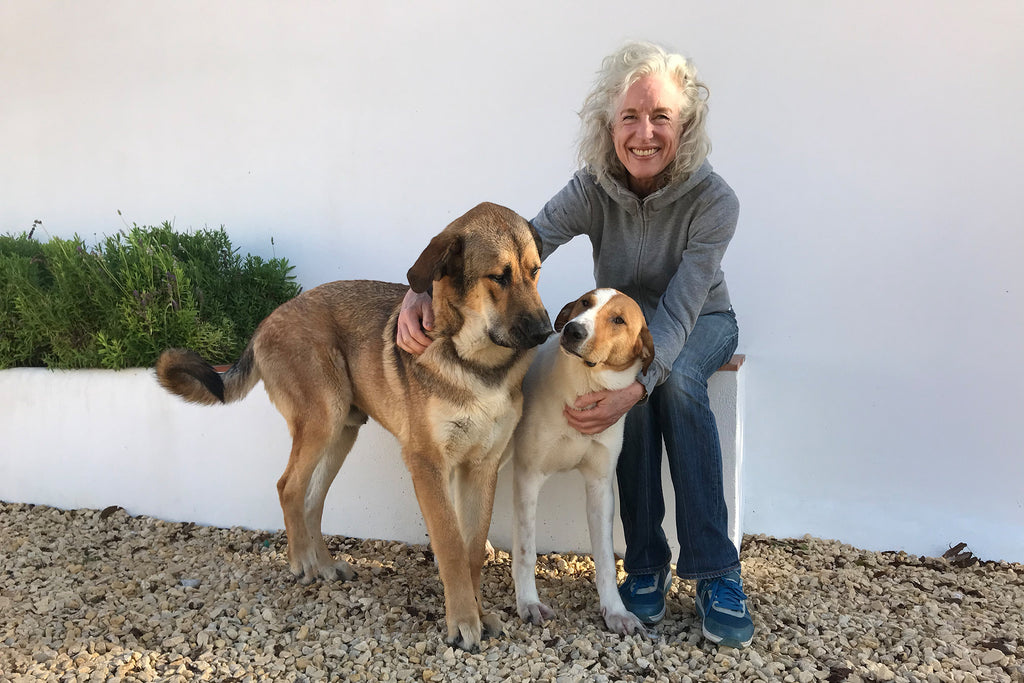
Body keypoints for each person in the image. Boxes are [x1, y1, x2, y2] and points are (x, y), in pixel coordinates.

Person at [397, 41, 753, 649]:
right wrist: (425, 285)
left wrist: (641, 384)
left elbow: (681, 306)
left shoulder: (714, 202)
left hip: (699, 321)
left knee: (676, 383)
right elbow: (517, 241)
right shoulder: (592, 188)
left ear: (684, 126)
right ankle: (643, 564)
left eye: (661, 117)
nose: (644, 133)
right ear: (608, 125)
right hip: (612, 325)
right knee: (623, 383)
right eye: (630, 118)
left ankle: (716, 573)